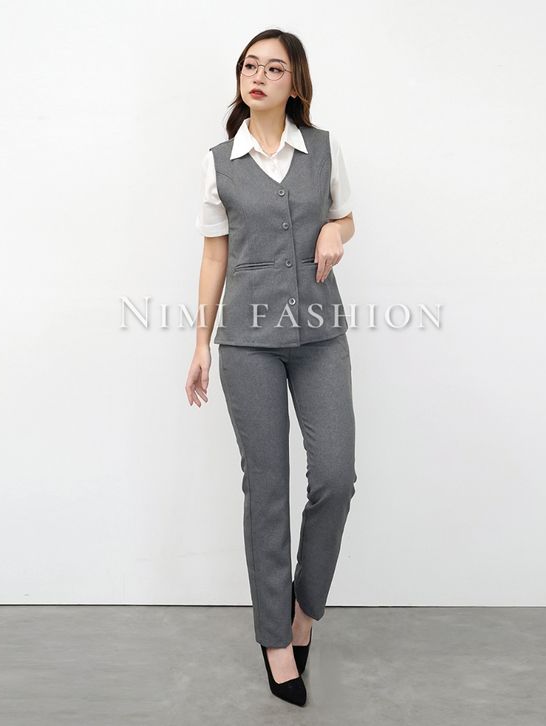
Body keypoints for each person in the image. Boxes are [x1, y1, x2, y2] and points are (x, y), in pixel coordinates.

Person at [185, 28, 358, 708]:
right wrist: (201, 342)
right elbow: (214, 256)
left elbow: (346, 218)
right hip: (248, 344)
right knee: (266, 490)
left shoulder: (323, 149)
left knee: (335, 477)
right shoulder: (219, 163)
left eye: (274, 68)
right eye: (250, 66)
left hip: (320, 336)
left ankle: (304, 608)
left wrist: (334, 230)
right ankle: (275, 639)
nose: (258, 76)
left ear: (295, 83)